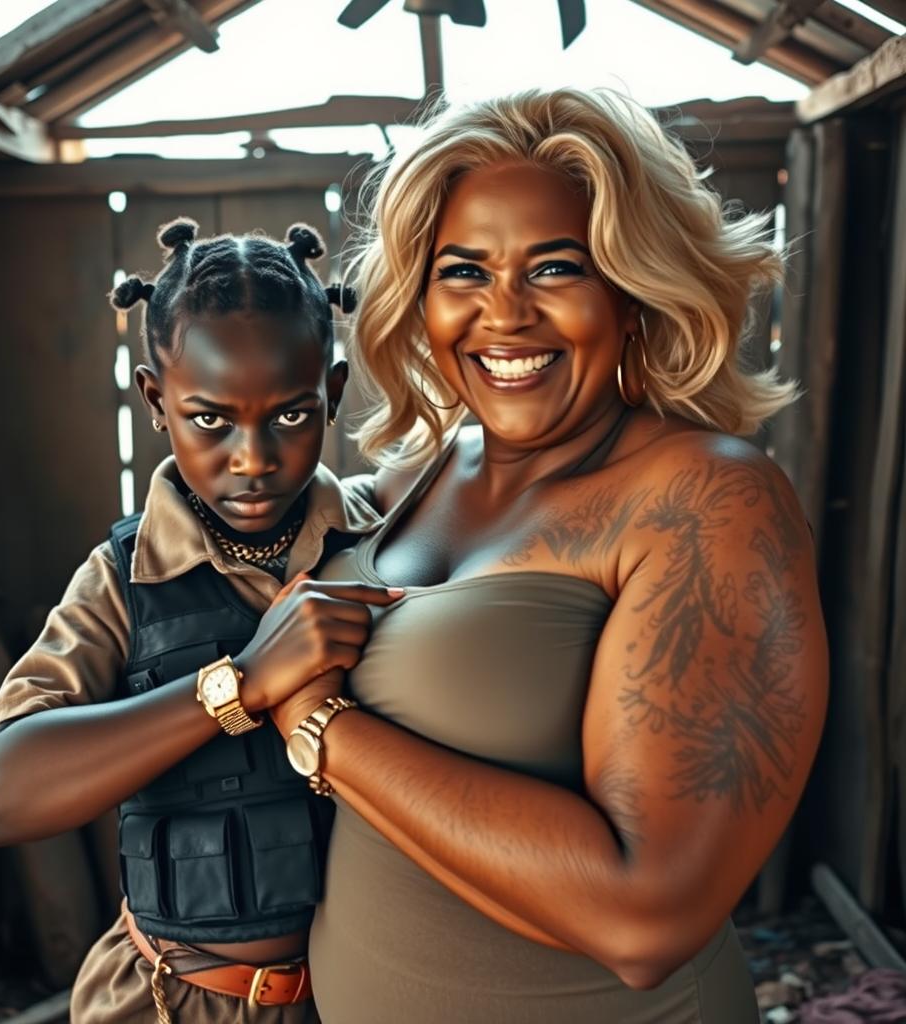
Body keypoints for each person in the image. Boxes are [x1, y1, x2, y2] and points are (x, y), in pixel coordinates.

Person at [264, 89, 829, 1023]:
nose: (505, 315)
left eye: (555, 268)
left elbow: (648, 918)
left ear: (632, 284)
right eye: (464, 272)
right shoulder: (430, 468)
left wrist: (320, 727)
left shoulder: (709, 503)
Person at [0, 218, 403, 1023]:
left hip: (359, 1002)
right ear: (154, 401)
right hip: (169, 1002)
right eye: (210, 419)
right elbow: (1, 798)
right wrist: (237, 685)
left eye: (291, 415)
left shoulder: (388, 541)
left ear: (333, 394)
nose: (252, 456)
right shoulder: (121, 582)